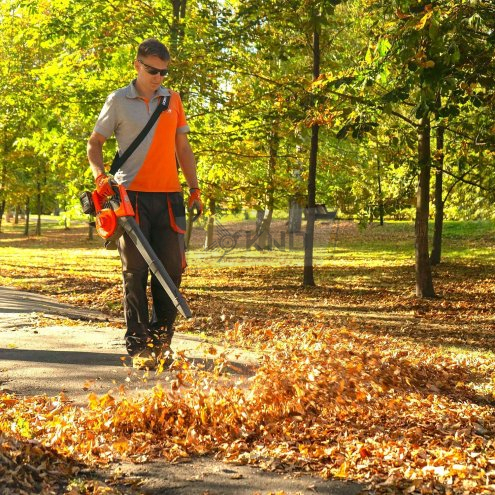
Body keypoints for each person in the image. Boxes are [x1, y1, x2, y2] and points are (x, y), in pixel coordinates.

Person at [87, 38, 202, 370]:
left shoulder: (172, 99)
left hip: (169, 197)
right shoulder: (118, 101)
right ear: (136, 65)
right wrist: (99, 176)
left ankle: (161, 340)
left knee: (171, 270)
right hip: (130, 197)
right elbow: (95, 143)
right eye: (153, 70)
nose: (159, 78)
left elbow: (183, 147)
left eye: (164, 72)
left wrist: (193, 188)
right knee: (135, 271)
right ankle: (138, 346)